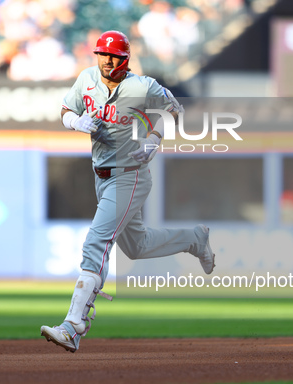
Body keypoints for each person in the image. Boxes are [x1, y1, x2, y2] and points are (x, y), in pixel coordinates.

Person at [40, 30, 215, 353]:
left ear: (125, 58)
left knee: (96, 243)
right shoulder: (87, 78)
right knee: (137, 246)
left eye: (114, 56)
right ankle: (194, 239)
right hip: (102, 176)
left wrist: (154, 139)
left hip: (130, 174)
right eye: (102, 54)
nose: (107, 61)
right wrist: (75, 122)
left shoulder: (142, 86)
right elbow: (66, 111)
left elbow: (175, 109)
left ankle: (73, 325)